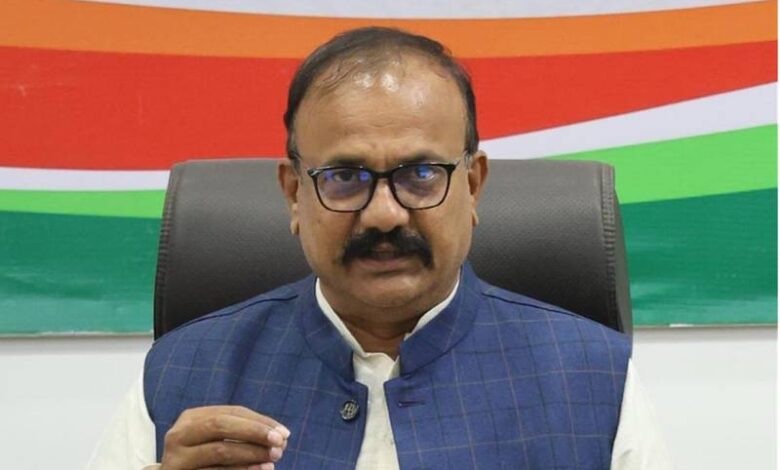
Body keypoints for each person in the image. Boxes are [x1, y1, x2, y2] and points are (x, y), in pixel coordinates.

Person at [88, 27, 671, 469]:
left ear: (472, 186)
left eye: (421, 174)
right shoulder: (181, 372)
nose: (385, 214)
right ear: (294, 195)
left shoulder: (593, 376)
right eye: (345, 177)